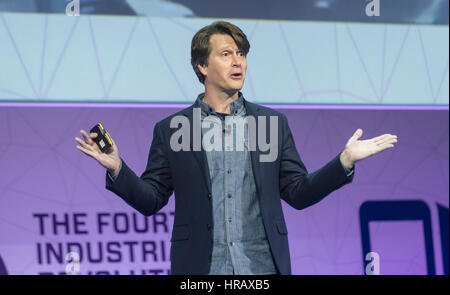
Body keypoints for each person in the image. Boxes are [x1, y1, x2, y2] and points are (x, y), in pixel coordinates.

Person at [75, 21, 398, 275]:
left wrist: (343, 161)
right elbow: (151, 199)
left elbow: (298, 193)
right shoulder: (173, 128)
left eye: (241, 54)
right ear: (202, 66)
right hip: (200, 269)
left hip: (261, 268)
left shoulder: (271, 123)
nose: (238, 62)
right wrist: (118, 168)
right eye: (226, 53)